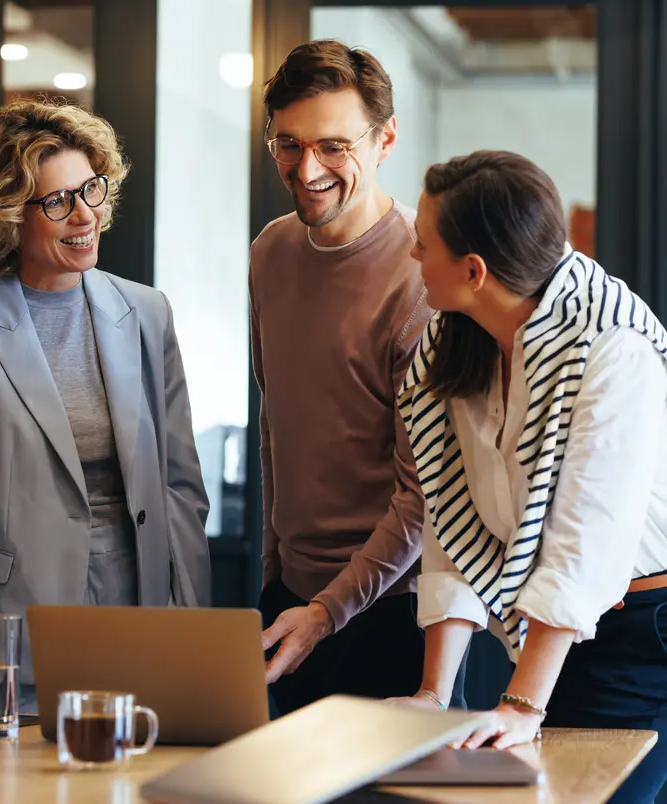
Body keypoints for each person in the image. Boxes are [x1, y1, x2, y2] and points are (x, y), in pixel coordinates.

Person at [0, 99, 211, 714]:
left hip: (141, 624)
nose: (86, 215)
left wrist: (194, 628)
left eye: (92, 190)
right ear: (6, 215)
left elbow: (180, 488)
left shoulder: (147, 313)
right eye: (57, 202)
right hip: (12, 634)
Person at [392, 149, 667, 804]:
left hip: (642, 633)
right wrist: (435, 693)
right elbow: (453, 522)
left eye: (422, 243)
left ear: (474, 270)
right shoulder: (459, 344)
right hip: (556, 635)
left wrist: (520, 704)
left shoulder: (612, 347)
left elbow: (585, 545)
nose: (411, 255)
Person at [250, 39, 468, 716]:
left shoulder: (421, 279)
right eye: (287, 144)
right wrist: (277, 579)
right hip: (288, 603)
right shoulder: (271, 250)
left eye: (333, 146)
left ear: (386, 140)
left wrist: (327, 610)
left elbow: (423, 493)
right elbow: (275, 424)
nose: (306, 168)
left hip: (390, 613)